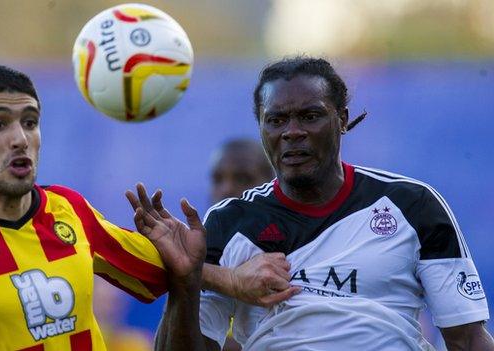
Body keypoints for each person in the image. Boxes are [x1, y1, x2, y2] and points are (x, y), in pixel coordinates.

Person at [127, 57, 494, 350]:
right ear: (261, 128)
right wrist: (186, 279)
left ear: (343, 120)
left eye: (310, 115)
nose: (292, 132)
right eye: (277, 120)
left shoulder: (414, 206)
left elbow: (468, 339)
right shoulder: (228, 223)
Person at [0, 65, 208, 350]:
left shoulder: (68, 209)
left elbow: (169, 273)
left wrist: (235, 280)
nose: (20, 138)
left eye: (30, 122)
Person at [209, 138, 275, 351]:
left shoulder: (297, 254)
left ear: (272, 183)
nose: (226, 189)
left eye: (242, 178)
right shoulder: (199, 259)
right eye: (218, 179)